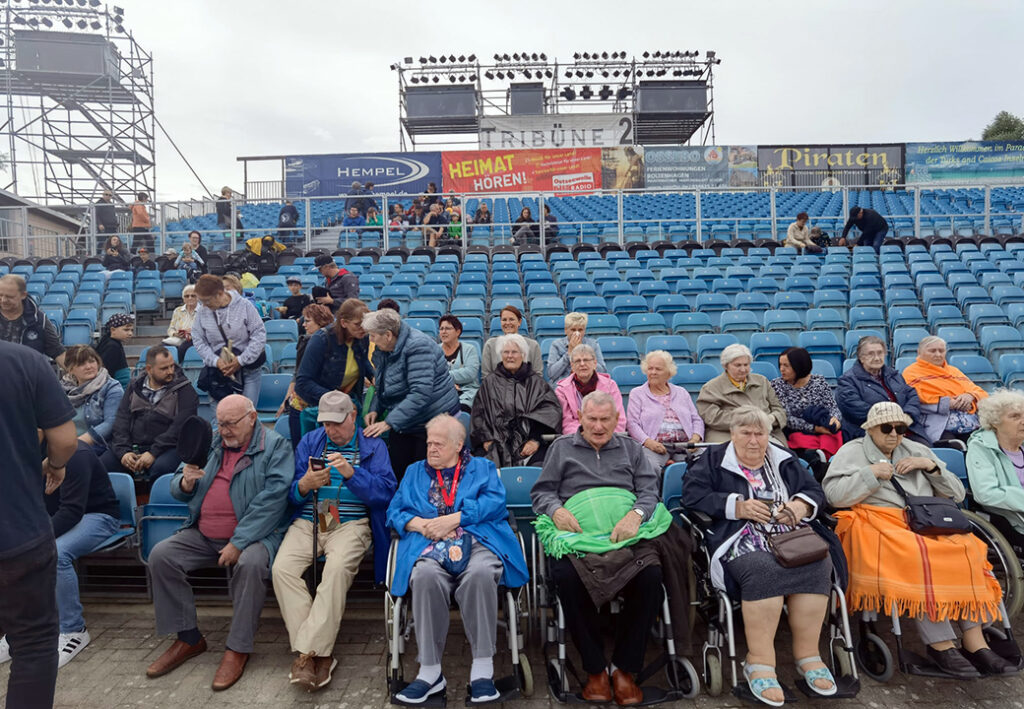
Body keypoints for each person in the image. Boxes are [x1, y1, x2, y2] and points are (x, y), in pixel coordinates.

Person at [823, 402, 1014, 678]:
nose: (894, 435)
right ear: (870, 429)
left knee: (968, 548)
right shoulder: (851, 452)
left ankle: (975, 641)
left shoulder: (917, 450)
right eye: (886, 428)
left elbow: (958, 494)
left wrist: (932, 467)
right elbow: (834, 496)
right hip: (878, 520)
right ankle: (941, 644)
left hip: (925, 519)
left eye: (900, 429)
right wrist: (870, 475)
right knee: (921, 555)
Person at [682, 405, 839, 704]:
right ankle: (759, 661)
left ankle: (808, 655)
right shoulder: (713, 459)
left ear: (769, 434)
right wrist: (736, 506)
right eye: (746, 433)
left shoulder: (783, 457)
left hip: (790, 535)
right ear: (732, 433)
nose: (753, 440)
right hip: (740, 537)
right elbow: (692, 495)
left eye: (760, 433)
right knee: (763, 567)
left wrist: (801, 506)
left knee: (819, 563)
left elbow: (815, 491)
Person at [531, 391, 675, 705]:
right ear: (580, 419)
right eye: (592, 419)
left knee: (651, 577)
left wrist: (636, 516)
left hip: (625, 535)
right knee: (567, 578)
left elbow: (649, 492)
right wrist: (556, 510)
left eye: (605, 420)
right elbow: (542, 493)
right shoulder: (561, 448)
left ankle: (624, 669)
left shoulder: (631, 448)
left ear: (616, 420)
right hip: (578, 537)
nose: (598, 426)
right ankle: (596, 669)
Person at [145, 395, 292, 691]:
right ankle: (188, 638)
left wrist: (238, 542)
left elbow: (273, 502)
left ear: (252, 418)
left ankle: (238, 648)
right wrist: (185, 483)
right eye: (220, 423)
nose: (223, 430)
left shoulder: (275, 446)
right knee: (162, 556)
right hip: (203, 533)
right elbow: (178, 482)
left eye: (230, 424)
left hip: (256, 535)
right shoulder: (210, 442)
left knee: (251, 564)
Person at [387, 414, 529, 704]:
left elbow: (494, 502)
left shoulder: (483, 468)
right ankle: (430, 672)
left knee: (479, 574)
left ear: (459, 445)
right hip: (429, 546)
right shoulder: (415, 471)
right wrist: (420, 525)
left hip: (478, 541)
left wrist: (454, 519)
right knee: (424, 577)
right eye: (429, 443)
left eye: (439, 444)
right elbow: (395, 511)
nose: (432, 449)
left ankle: (482, 669)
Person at [273, 392, 396, 691]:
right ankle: (317, 652)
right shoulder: (311, 441)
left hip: (352, 523)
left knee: (337, 569)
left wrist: (352, 474)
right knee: (281, 569)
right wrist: (303, 486)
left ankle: (308, 656)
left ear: (353, 416)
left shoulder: (374, 446)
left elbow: (386, 493)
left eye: (337, 423)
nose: (330, 430)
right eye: (326, 423)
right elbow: (291, 492)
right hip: (314, 517)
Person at [0, 341, 77, 709]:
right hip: (18, 535)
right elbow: (64, 439)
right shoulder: (22, 360)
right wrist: (55, 465)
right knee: (32, 648)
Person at [43, 444, 121, 667]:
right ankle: (20, 630)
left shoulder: (76, 454)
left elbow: (72, 511)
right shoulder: (22, 453)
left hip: (97, 515)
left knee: (55, 554)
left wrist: (36, 538)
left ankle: (73, 631)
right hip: (56, 516)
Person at [362, 309, 460, 479]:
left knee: (424, 477)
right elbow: (383, 383)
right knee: (399, 472)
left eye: (373, 336)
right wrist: (375, 408)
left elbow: (420, 394)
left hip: (431, 420)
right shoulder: (385, 348)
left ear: (388, 335)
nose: (371, 340)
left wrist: (388, 422)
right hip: (406, 420)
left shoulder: (418, 346)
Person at [101, 346, 198, 482]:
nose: (170, 371)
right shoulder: (134, 387)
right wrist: (124, 452)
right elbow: (122, 420)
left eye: (172, 366)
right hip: (134, 446)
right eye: (164, 368)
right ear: (149, 369)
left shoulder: (185, 390)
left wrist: (153, 452)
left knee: (160, 469)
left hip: (169, 447)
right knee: (103, 465)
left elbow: (179, 428)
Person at [470, 334, 561, 467]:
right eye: (506, 352)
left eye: (514, 352)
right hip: (495, 442)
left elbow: (550, 413)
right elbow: (479, 415)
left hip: (528, 444)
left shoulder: (537, 383)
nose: (510, 356)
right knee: (480, 466)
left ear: (523, 355)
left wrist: (536, 440)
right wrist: (486, 438)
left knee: (542, 463)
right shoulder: (489, 383)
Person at [295, 298, 373, 430]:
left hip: (344, 405)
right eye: (357, 324)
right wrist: (336, 398)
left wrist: (373, 376)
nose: (363, 328)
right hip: (313, 407)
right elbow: (303, 381)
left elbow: (362, 360)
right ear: (343, 323)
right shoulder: (321, 339)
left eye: (365, 324)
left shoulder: (362, 337)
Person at [191, 273, 268, 403]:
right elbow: (198, 340)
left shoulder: (245, 306)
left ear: (220, 293)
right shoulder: (202, 312)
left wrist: (241, 360)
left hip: (248, 370)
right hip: (219, 372)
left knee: (246, 414)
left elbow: (259, 334)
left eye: (207, 301)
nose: (204, 305)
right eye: (201, 301)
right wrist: (216, 361)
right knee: (221, 417)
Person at [836, 335, 926, 444]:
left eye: (880, 353)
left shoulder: (894, 375)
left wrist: (908, 415)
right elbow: (854, 408)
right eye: (871, 354)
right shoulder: (847, 381)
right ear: (861, 357)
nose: (877, 358)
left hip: (905, 428)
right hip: (871, 433)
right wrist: (892, 420)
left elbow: (912, 395)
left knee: (925, 453)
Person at [770, 347, 842, 477]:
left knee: (837, 436)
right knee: (802, 445)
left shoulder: (818, 381)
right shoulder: (777, 385)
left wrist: (835, 419)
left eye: (786, 365)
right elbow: (786, 418)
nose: (781, 369)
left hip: (824, 428)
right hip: (796, 431)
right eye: (780, 365)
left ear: (799, 366)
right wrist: (814, 428)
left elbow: (832, 407)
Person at [902, 336, 988, 444]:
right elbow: (916, 399)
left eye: (941, 351)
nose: (938, 354)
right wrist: (948, 403)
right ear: (919, 352)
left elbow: (977, 391)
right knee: (955, 447)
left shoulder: (954, 371)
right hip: (938, 425)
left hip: (971, 423)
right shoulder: (911, 372)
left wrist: (970, 396)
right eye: (932, 351)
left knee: (984, 444)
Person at [626, 350, 704, 470]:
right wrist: (648, 442)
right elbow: (632, 424)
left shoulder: (681, 392)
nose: (653, 372)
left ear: (669, 373)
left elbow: (696, 419)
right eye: (650, 368)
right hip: (655, 446)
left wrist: (695, 438)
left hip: (685, 445)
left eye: (658, 369)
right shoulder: (637, 394)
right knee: (649, 467)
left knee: (706, 462)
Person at [697, 344, 787, 444]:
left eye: (746, 365)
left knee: (780, 455)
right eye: (738, 365)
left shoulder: (762, 381)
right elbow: (712, 417)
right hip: (727, 435)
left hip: (765, 431)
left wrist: (770, 419)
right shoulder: (711, 388)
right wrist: (747, 421)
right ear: (726, 365)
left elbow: (779, 410)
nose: (743, 369)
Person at [966, 390, 1024, 541]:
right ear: (995, 422)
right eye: (1015, 416)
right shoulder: (981, 447)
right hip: (1012, 522)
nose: (1023, 421)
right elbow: (986, 494)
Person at [280, 303, 338, 448]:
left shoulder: (336, 344)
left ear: (321, 321)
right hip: (302, 406)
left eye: (308, 321)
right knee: (302, 452)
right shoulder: (305, 342)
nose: (304, 325)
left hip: (324, 405)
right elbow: (297, 375)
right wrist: (286, 399)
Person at [60, 344, 123, 457]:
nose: (89, 366)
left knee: (76, 456)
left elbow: (111, 423)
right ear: (70, 369)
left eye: (92, 361)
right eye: (81, 364)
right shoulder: (62, 389)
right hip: (66, 444)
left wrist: (76, 444)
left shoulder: (112, 388)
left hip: (98, 446)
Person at [555, 344, 625, 435]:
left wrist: (606, 436)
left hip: (608, 437)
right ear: (572, 366)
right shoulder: (561, 390)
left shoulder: (611, 385)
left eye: (586, 360)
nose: (582, 364)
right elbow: (566, 422)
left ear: (595, 363)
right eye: (577, 361)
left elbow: (618, 419)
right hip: (577, 439)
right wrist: (586, 436)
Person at [0, 274, 66, 367]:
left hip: (28, 376)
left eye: (9, 297)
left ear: (23, 295)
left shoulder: (39, 319)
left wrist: (76, 374)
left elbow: (57, 351)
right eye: (0, 295)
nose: (3, 300)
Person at [481, 305, 542, 378]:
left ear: (519, 322)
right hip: (496, 387)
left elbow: (538, 375)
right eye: (504, 320)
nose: (507, 323)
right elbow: (486, 376)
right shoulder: (490, 345)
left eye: (511, 319)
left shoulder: (533, 345)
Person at [546, 312, 607, 383]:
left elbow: (602, 371)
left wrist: (584, 353)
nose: (577, 333)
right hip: (564, 385)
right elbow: (551, 374)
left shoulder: (593, 344)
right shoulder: (557, 345)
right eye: (573, 330)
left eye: (580, 330)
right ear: (566, 330)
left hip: (588, 384)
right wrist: (569, 353)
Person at [439, 314, 480, 412]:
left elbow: (470, 373)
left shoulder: (469, 349)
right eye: (441, 329)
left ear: (458, 332)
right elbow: (430, 374)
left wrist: (445, 377)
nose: (444, 332)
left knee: (460, 410)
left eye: (448, 328)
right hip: (441, 392)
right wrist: (450, 384)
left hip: (465, 392)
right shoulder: (434, 350)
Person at [95, 312, 134, 389]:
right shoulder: (112, 347)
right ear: (113, 330)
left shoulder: (111, 343)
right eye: (126, 330)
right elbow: (106, 372)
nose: (130, 333)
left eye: (131, 330)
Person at [165, 284, 199, 361]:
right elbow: (170, 329)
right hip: (177, 339)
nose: (190, 298)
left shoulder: (203, 311)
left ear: (198, 297)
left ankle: (176, 368)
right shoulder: (177, 311)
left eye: (193, 296)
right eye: (187, 296)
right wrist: (175, 334)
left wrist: (193, 332)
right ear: (183, 299)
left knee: (182, 347)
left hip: (194, 339)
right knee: (159, 348)